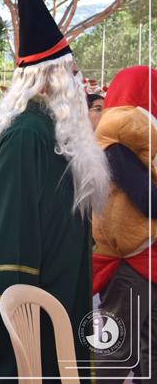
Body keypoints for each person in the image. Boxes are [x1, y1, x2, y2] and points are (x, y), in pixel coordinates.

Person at [0, 0, 110, 381]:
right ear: (51, 77)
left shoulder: (57, 134)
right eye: (71, 71)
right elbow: (8, 244)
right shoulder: (26, 135)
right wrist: (24, 332)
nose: (78, 81)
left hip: (59, 302)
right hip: (33, 327)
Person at [92, 65, 156, 382]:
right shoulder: (115, 145)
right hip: (129, 261)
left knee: (149, 348)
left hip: (146, 258)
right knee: (117, 349)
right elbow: (148, 199)